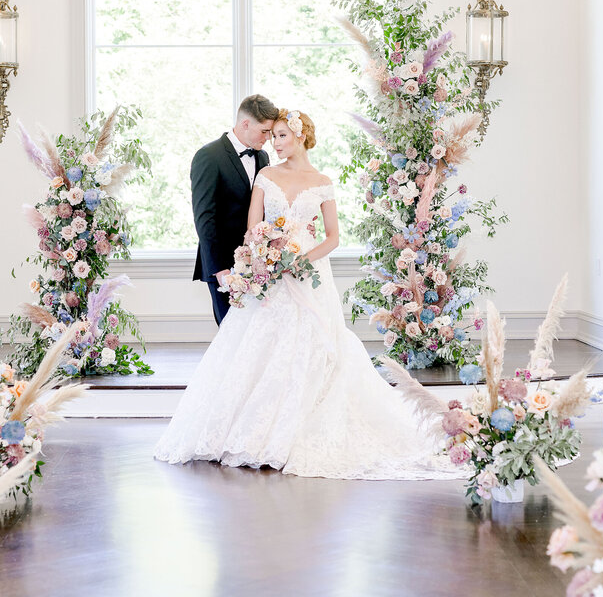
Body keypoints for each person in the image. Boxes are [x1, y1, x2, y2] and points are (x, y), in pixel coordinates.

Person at [157, 109, 461, 480]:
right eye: (273, 136)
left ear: (300, 137)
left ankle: (302, 425)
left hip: (308, 271)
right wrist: (266, 252)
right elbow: (253, 228)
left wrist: (300, 259)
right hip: (270, 270)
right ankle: (247, 429)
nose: (274, 142)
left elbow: (333, 236)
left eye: (281, 135)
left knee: (314, 344)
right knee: (256, 343)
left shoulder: (322, 181)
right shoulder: (266, 175)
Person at [190, 95, 279, 325]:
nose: (268, 139)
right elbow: (204, 218)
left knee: (255, 337)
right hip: (224, 265)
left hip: (257, 263)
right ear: (245, 124)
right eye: (264, 131)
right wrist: (220, 269)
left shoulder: (263, 156)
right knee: (230, 336)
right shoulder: (208, 156)